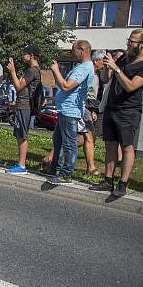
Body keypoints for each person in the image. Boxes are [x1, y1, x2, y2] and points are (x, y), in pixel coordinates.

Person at [90, 29, 143, 196]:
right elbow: (106, 79)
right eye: (128, 40)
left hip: (129, 111)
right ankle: (108, 180)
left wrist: (116, 69)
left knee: (127, 146)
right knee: (110, 145)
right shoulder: (124, 58)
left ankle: (123, 183)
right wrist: (108, 67)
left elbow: (131, 86)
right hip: (112, 107)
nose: (128, 43)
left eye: (132, 41)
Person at [47, 40, 95, 184]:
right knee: (58, 140)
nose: (72, 53)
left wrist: (56, 70)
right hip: (65, 109)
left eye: (74, 50)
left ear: (81, 50)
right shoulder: (82, 66)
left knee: (69, 143)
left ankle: (66, 173)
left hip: (71, 111)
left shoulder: (84, 68)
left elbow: (66, 86)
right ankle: (54, 167)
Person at [5, 45, 42, 174]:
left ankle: (21, 165)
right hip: (24, 105)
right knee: (20, 134)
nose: (22, 56)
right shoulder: (34, 70)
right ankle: (20, 163)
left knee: (22, 135)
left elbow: (19, 86)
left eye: (25, 54)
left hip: (24, 105)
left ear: (31, 55)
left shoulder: (33, 70)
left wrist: (13, 71)